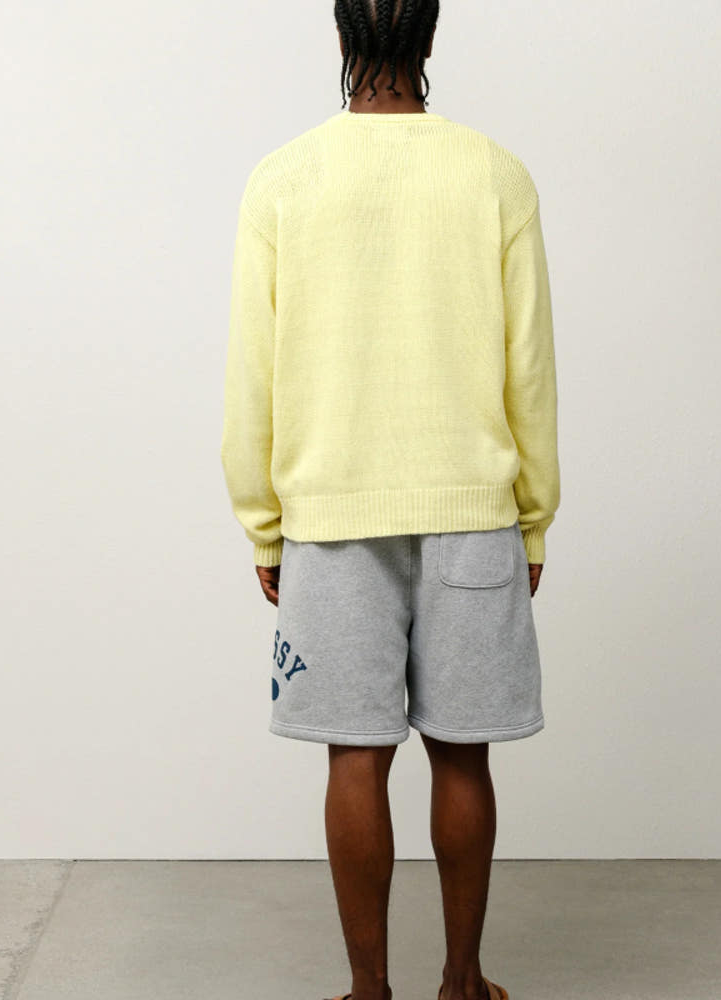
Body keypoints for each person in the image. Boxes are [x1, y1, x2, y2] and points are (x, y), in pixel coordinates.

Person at [220, 3, 560, 999]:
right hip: (472, 508)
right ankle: (463, 982)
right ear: (429, 39)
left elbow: (252, 373)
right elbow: (529, 367)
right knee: (462, 758)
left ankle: (368, 991)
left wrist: (263, 521)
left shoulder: (283, 179)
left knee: (354, 759)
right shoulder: (494, 174)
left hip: (330, 517)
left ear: (340, 39)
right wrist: (534, 513)